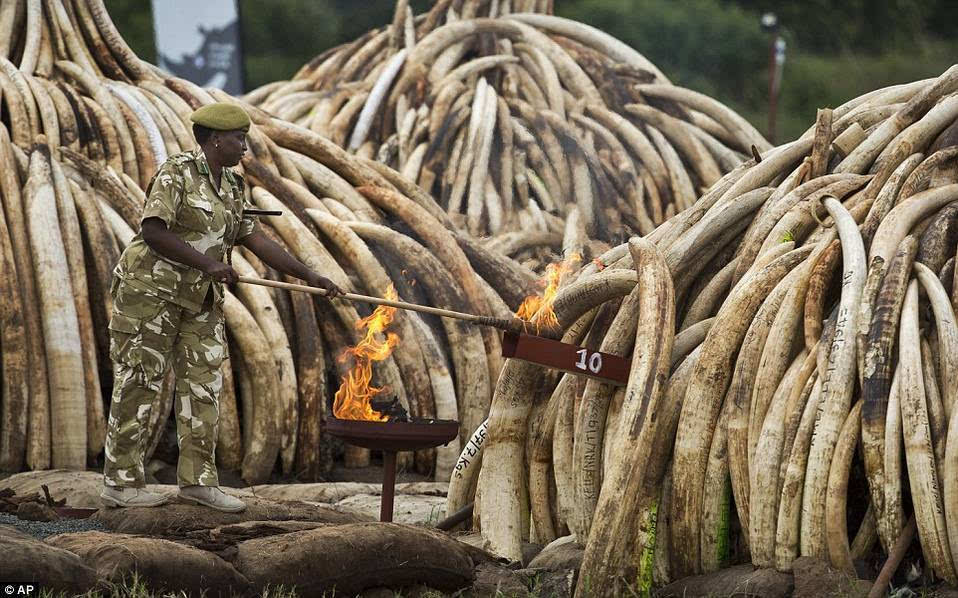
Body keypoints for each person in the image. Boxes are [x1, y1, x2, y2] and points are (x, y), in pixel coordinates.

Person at [100, 103, 342, 512]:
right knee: (140, 381)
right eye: (238, 139)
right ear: (214, 139)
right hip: (150, 296)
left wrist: (310, 276)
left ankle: (197, 482)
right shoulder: (176, 172)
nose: (244, 147)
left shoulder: (232, 184)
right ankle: (120, 484)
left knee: (204, 385)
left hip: (198, 300)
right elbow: (153, 231)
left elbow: (256, 239)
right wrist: (210, 263)